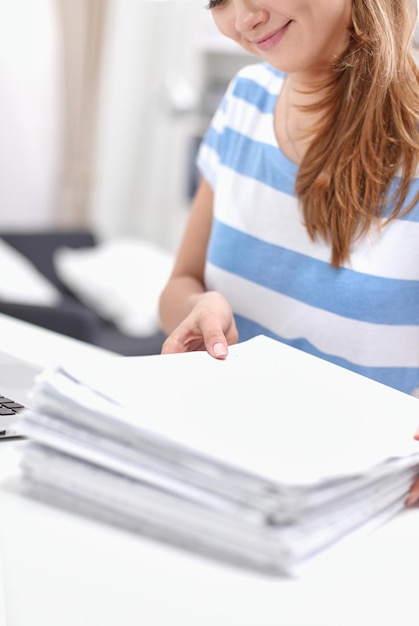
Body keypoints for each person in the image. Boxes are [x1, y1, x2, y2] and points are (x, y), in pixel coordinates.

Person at [158, 0, 419, 503]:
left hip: (364, 497)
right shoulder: (243, 102)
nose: (242, 20)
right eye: (217, 1)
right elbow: (181, 284)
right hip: (220, 466)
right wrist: (199, 310)